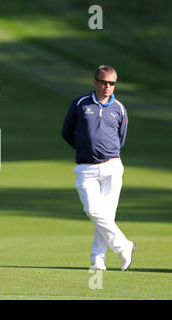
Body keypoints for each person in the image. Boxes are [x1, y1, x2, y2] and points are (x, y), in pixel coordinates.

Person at [61, 65, 136, 271]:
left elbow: (120, 139)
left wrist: (104, 152)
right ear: (95, 82)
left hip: (112, 167)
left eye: (112, 83)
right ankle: (124, 246)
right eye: (104, 82)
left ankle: (98, 260)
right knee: (93, 210)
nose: (107, 86)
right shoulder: (80, 103)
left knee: (106, 215)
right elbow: (67, 132)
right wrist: (85, 149)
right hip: (86, 168)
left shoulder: (119, 108)